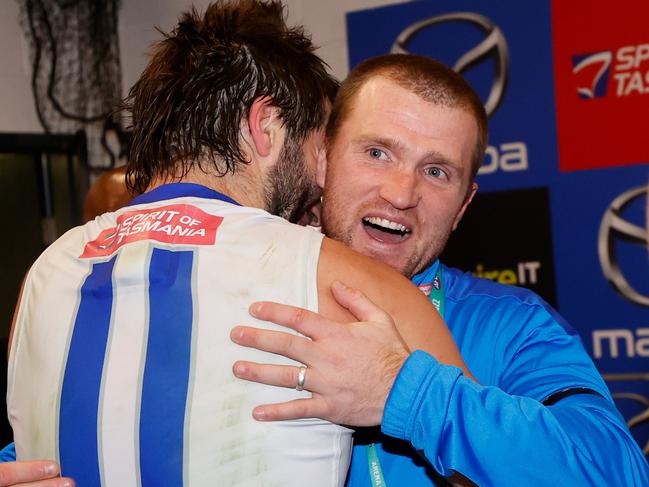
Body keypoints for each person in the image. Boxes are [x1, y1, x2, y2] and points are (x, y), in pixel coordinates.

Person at [4, 2, 469, 486]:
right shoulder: (343, 280)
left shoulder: (45, 272)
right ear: (265, 126)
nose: (322, 173)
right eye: (318, 144)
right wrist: (411, 395)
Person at [230, 55, 649, 485]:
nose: (401, 194)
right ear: (323, 159)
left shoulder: (512, 324)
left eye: (435, 171)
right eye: (377, 153)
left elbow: (615, 474)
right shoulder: (240, 292)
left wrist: (407, 393)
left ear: (463, 206)